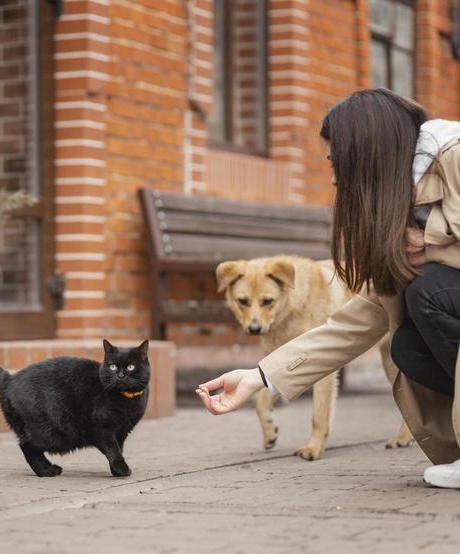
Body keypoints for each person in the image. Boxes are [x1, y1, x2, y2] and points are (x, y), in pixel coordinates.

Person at [197, 89, 460, 490]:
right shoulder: (402, 205)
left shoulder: (454, 156)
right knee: (406, 341)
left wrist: (432, 238)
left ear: (368, 152)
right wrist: (261, 376)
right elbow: (360, 319)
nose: (336, 177)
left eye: (338, 161)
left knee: (430, 293)